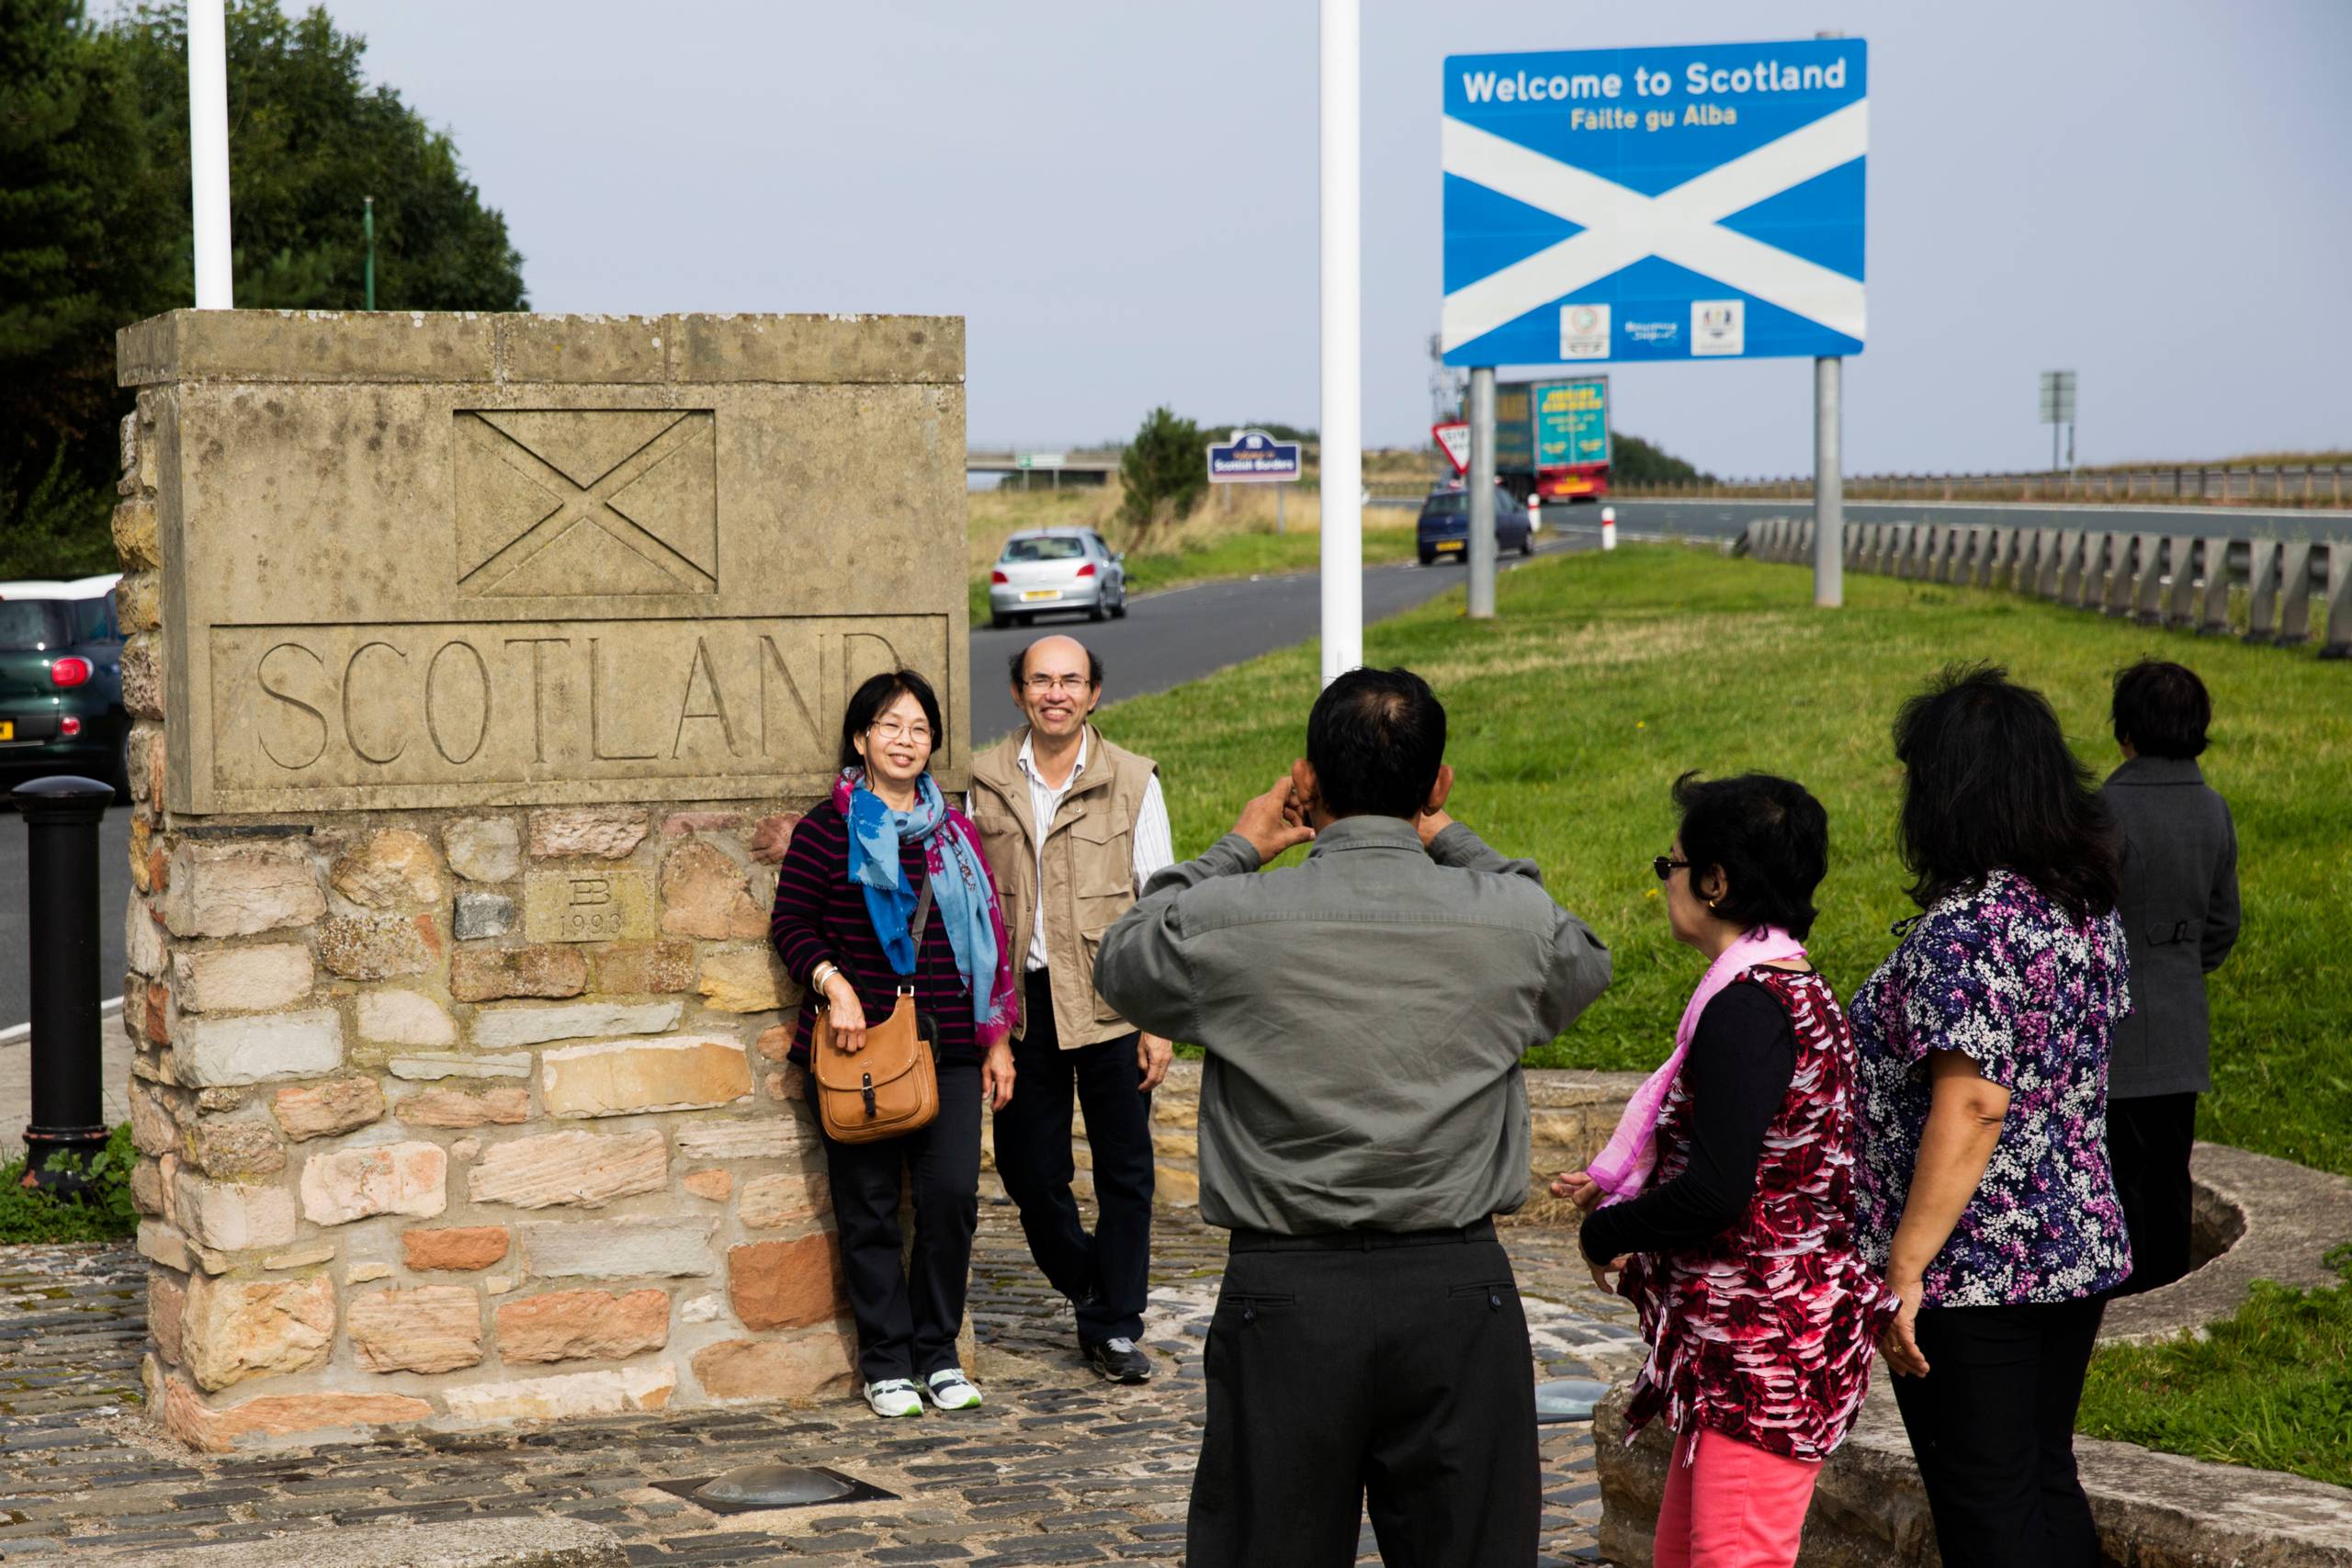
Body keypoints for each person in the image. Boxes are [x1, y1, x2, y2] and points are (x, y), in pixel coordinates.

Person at [1094, 667, 1612, 1568]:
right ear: (1438, 784)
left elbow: (1125, 960)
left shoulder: (1231, 917)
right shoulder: (1508, 918)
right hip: (1457, 1288)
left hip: (1287, 1293)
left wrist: (1239, 846)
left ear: (1306, 780)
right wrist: (1452, 841)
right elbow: (1579, 963)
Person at [1556, 773, 1892, 1568]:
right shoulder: (1781, 988)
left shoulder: (1748, 1007)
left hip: (1761, 1352)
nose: (1665, 879)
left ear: (1715, 881)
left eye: (1669, 864)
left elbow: (1716, 1191)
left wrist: (1606, 1229)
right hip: (1738, 1352)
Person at [1849, 664, 2131, 1568]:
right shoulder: (2080, 911)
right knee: (2042, 1476)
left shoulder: (1968, 931)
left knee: (1989, 1507)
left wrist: (1903, 1270)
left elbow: (1972, 1105)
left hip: (1976, 1272)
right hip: (2072, 1242)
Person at [767, 669, 1020, 1419]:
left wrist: (998, 1040)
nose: (905, 739)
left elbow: (987, 944)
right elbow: (792, 925)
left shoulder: (957, 832)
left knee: (950, 1201)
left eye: (918, 727)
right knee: (869, 1206)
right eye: (889, 725)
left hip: (949, 1047)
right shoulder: (828, 827)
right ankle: (886, 1362)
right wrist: (833, 984)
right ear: (860, 739)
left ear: (933, 742)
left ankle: (938, 1354)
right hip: (860, 1046)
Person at [966, 635, 1174, 1384]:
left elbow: (1159, 903)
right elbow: (971, 904)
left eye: (1072, 681)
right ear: (1019, 694)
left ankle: (1116, 1328)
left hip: (1114, 1000)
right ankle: (1093, 1286)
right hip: (1024, 1012)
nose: (1056, 693)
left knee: (1126, 1173)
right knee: (1029, 1173)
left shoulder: (1134, 779)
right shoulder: (982, 780)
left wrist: (1158, 1017)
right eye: (1041, 680)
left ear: (1094, 695)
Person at [2100, 660, 2240, 1295]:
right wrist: (2178, 967)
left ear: (2124, 730)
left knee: (2116, 1165)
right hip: (2183, 1018)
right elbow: (2222, 922)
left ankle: (2122, 1282)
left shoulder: (2103, 810)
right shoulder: (2213, 808)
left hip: (2112, 1025)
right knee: (2169, 1166)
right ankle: (2170, 1280)